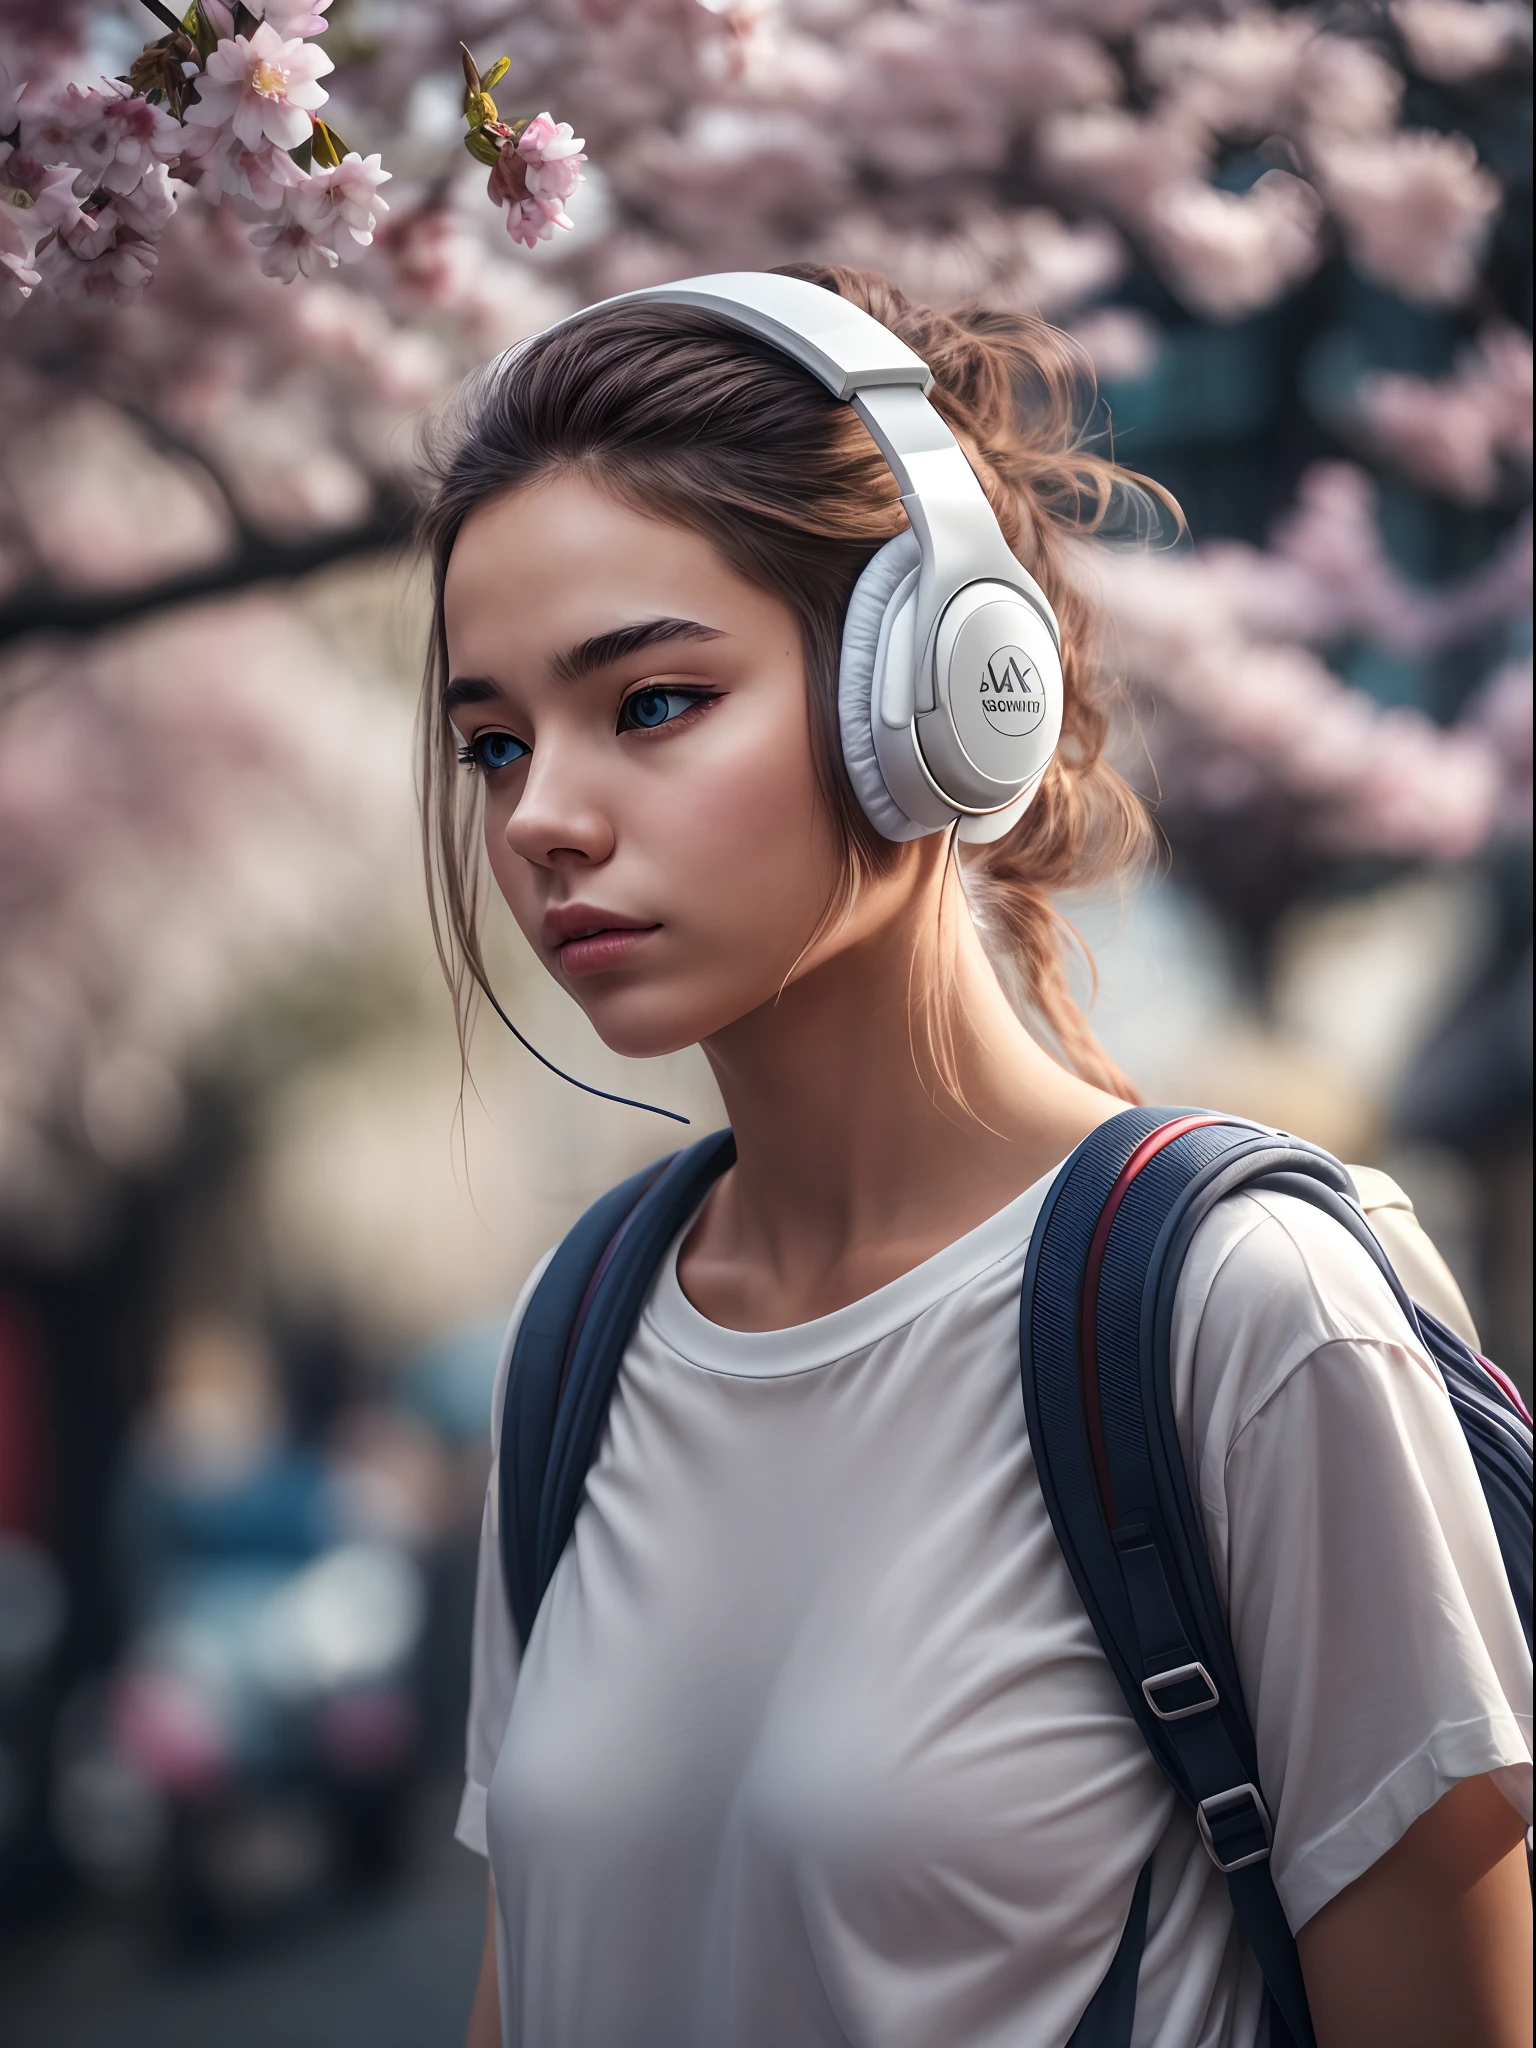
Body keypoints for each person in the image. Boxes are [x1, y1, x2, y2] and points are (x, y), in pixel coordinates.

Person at [419, 266, 1532, 2048]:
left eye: (648, 705)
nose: (539, 813)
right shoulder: (582, 1336)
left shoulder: (1248, 1321)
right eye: (491, 740)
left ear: (939, 693)